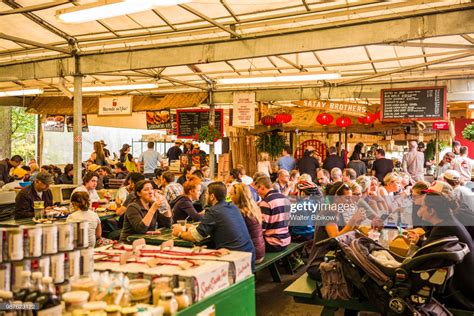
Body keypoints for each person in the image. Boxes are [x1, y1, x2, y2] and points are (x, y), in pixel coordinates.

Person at [412, 192, 474, 310]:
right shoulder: (448, 222)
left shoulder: (443, 227)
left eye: (422, 206)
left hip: (460, 289)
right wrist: (420, 242)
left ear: (432, 211)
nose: (420, 210)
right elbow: (433, 247)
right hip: (465, 281)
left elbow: (423, 258)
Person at [172, 182, 256, 268]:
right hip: (249, 255)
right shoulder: (232, 206)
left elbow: (194, 237)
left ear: (212, 196)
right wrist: (194, 227)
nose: (205, 196)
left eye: (207, 193)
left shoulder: (213, 211)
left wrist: (179, 233)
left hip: (234, 258)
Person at [229, 183, 265, 263]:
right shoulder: (254, 208)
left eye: (231, 194)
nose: (229, 197)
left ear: (238, 197)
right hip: (260, 252)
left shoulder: (240, 212)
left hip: (252, 255)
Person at [254, 176, 290, 252]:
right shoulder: (284, 197)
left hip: (273, 243)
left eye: (257, 190)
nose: (257, 193)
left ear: (262, 188)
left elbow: (262, 228)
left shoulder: (266, 202)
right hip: (286, 240)